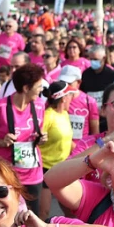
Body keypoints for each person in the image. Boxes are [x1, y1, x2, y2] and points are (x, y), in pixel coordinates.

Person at [0, 64, 47, 213]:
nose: (41, 90)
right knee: (5, 218)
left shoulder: (40, 105)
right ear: (25, 88)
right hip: (5, 173)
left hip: (32, 172)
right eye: (38, 86)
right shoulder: (1, 107)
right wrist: (2, 142)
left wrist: (40, 138)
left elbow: (36, 133)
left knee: (30, 218)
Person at [38, 80, 74, 219]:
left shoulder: (64, 114)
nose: (72, 98)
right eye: (70, 95)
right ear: (64, 97)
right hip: (46, 170)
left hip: (63, 169)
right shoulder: (47, 115)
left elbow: (68, 141)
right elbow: (36, 140)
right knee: (43, 214)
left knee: (71, 212)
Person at [60, 65, 100, 140]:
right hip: (60, 149)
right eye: (62, 82)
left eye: (69, 83)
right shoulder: (54, 98)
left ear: (78, 82)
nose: (65, 86)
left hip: (81, 149)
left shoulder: (89, 101)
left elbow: (95, 133)